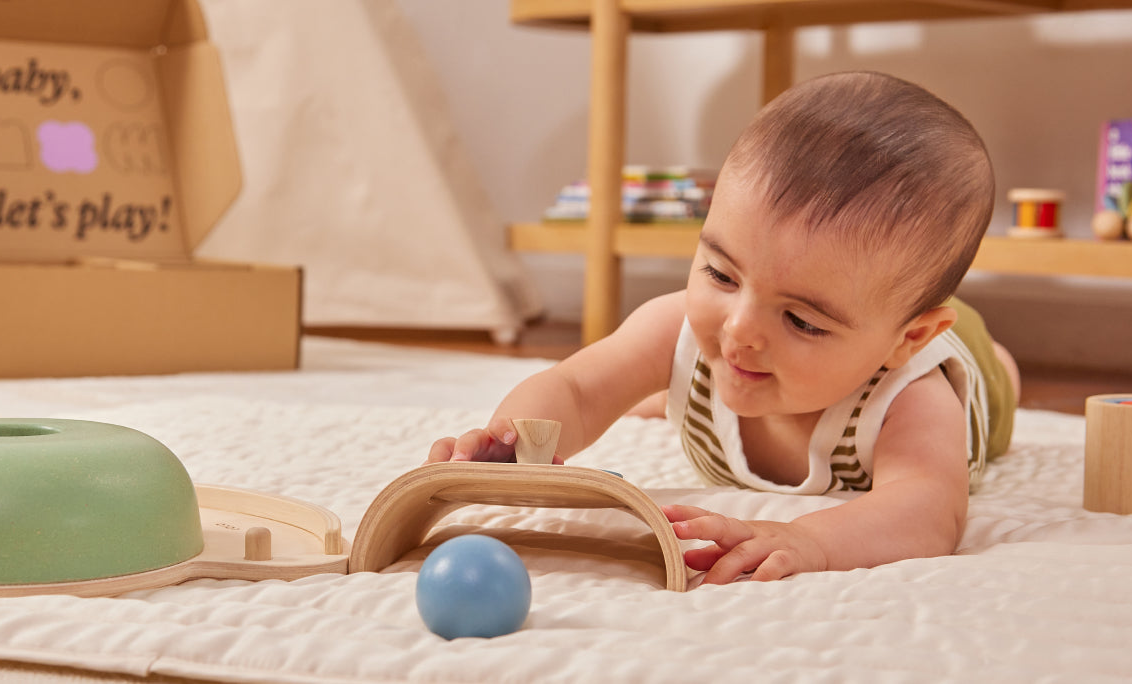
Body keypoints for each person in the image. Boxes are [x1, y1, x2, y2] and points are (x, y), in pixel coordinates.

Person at [427, 71, 1020, 584]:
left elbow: (927, 510)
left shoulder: (911, 395)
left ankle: (988, 359)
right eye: (721, 273)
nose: (739, 329)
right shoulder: (682, 327)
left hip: (955, 349)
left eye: (800, 319)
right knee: (653, 369)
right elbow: (576, 387)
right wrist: (512, 442)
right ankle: (668, 391)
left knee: (997, 375)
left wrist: (811, 541)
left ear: (906, 340)